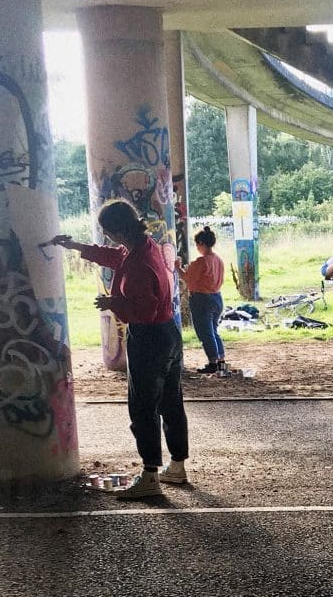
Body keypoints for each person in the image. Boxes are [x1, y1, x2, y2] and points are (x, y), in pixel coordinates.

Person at [51, 200, 189, 499]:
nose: (106, 237)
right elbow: (115, 257)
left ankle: (150, 474)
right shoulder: (142, 247)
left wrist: (114, 303)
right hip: (169, 335)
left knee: (143, 408)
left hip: (149, 338)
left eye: (106, 231)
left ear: (116, 230)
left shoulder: (138, 264)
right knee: (170, 403)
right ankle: (176, 467)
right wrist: (76, 246)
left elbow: (146, 310)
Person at [176, 226, 226, 375]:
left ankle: (212, 362)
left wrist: (177, 267)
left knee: (206, 334)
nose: (197, 247)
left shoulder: (201, 261)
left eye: (197, 244)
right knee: (214, 331)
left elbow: (186, 277)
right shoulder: (218, 259)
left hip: (201, 299)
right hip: (217, 297)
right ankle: (221, 362)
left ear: (202, 243)